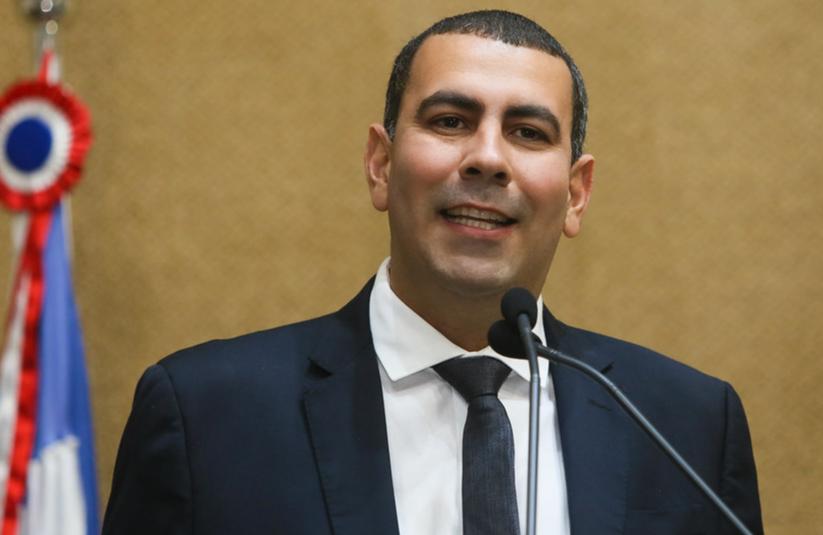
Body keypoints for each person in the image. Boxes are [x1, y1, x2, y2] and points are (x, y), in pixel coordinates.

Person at [103, 10, 763, 535]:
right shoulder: (205, 417)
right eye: (450, 121)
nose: (487, 158)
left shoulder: (686, 427)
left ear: (575, 194)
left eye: (528, 132)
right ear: (380, 165)